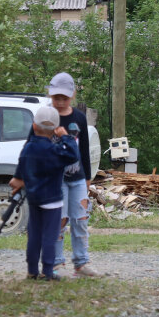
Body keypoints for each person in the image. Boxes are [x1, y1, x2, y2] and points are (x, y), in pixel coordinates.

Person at [9, 105, 79, 281]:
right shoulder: (55, 151)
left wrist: (18, 179)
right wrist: (66, 136)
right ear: (55, 130)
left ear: (34, 126)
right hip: (53, 200)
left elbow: (21, 166)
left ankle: (32, 270)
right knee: (49, 236)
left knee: (34, 235)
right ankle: (47, 271)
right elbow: (73, 155)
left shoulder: (28, 149)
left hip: (34, 198)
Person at [45, 73, 98, 277]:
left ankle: (81, 263)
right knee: (59, 220)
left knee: (80, 219)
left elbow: (84, 150)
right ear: (50, 95)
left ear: (73, 95)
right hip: (55, 180)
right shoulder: (45, 116)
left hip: (77, 179)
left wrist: (87, 179)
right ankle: (55, 263)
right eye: (56, 97)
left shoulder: (79, 118)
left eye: (64, 98)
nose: (60, 102)